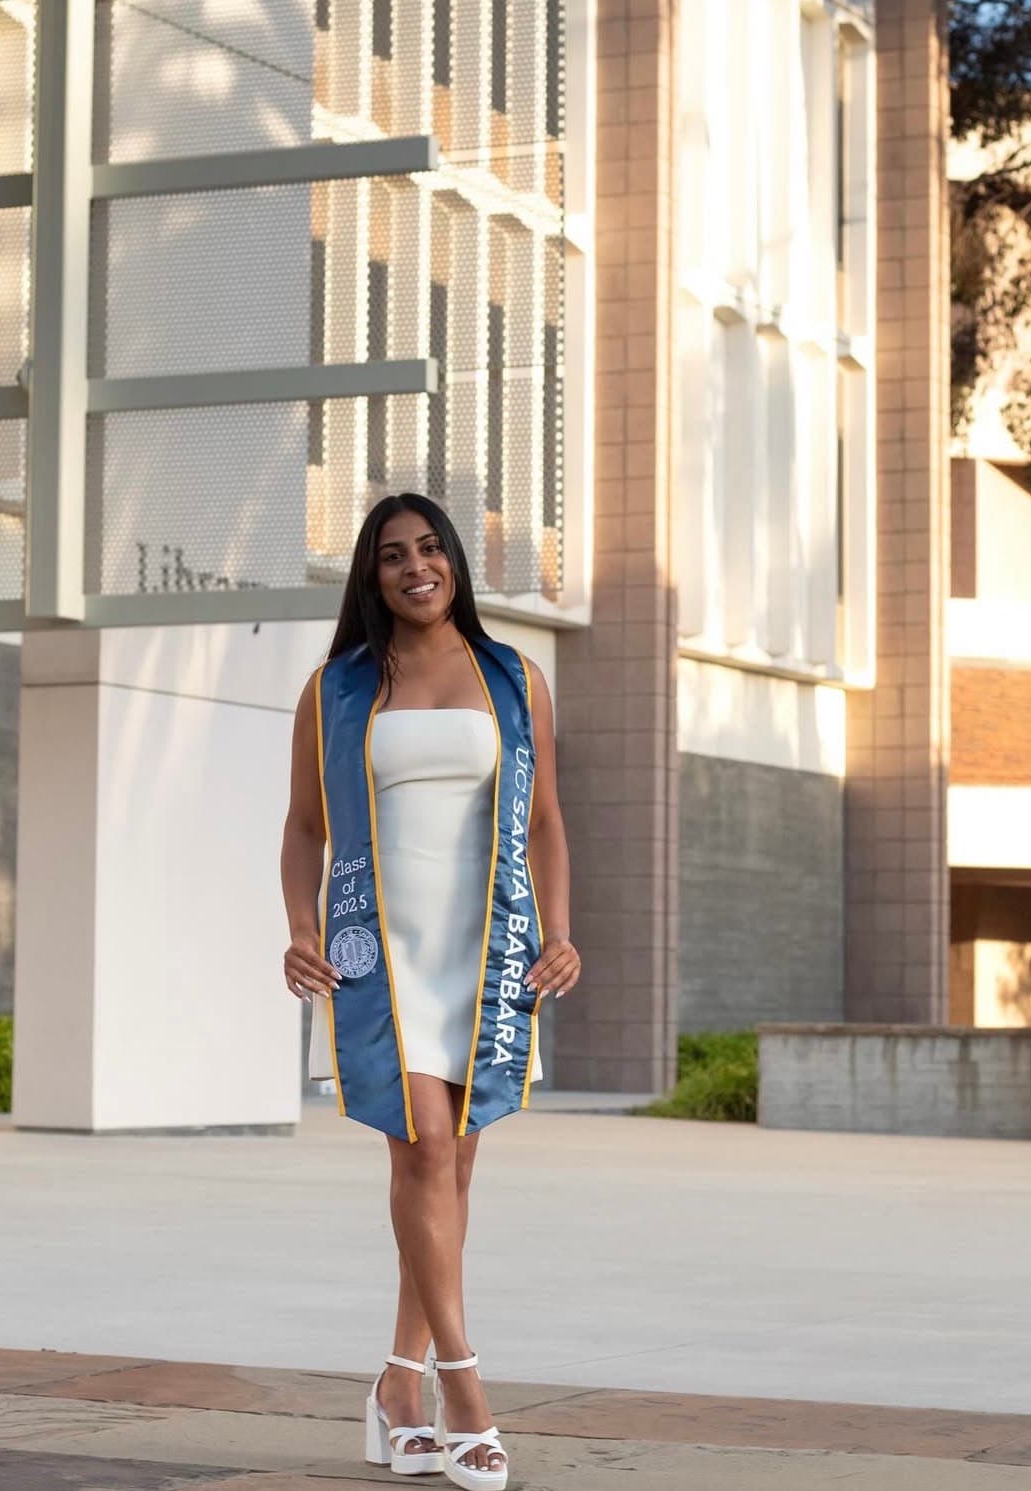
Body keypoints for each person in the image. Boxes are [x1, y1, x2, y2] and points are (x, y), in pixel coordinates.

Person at [280, 493, 579, 1489]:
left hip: (486, 951)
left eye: (431, 548)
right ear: (371, 577)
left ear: (455, 560)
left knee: (450, 1178)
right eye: (392, 555)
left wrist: (561, 933)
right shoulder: (338, 689)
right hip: (385, 953)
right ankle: (465, 1390)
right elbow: (303, 830)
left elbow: (543, 823)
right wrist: (301, 932)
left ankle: (397, 1384)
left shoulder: (512, 677)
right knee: (427, 1153)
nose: (416, 567)